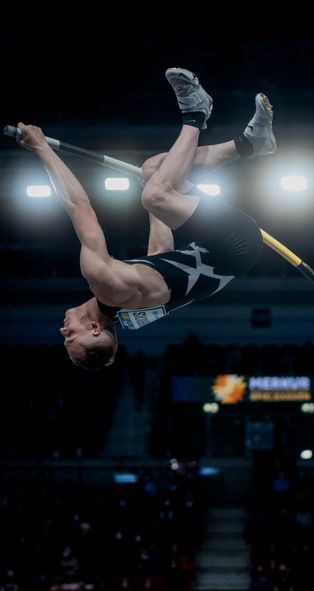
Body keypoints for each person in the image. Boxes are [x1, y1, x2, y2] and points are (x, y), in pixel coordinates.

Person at [16, 67, 276, 369]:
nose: (63, 330)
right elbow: (78, 206)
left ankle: (251, 144)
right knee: (154, 195)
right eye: (71, 336)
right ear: (95, 329)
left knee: (153, 171)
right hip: (235, 244)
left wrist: (157, 202)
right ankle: (196, 113)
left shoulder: (130, 316)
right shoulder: (104, 283)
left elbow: (160, 256)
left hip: (227, 250)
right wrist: (41, 147)